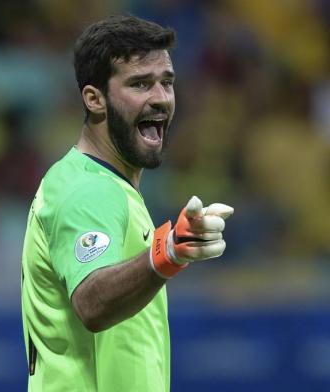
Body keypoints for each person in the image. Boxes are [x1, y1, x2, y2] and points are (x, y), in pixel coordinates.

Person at [21, 15, 233, 392]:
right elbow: (92, 303)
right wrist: (168, 252)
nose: (160, 98)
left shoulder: (109, 187)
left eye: (167, 83)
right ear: (94, 98)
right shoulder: (86, 190)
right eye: (140, 84)